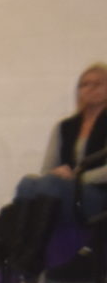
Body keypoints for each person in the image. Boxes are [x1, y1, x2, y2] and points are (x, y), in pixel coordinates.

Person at [14, 62, 107, 229]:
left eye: (98, 83)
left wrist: (76, 178)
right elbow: (47, 170)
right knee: (27, 183)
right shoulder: (65, 127)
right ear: (79, 91)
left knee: (52, 184)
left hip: (99, 195)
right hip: (65, 191)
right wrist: (57, 174)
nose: (91, 88)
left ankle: (32, 251)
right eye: (85, 84)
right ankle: (22, 249)